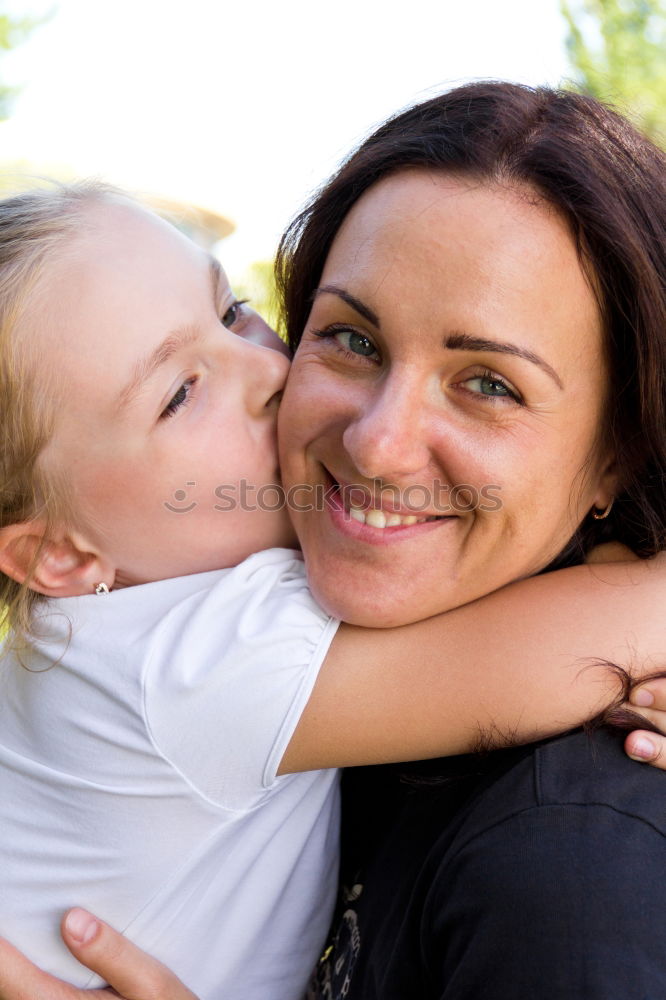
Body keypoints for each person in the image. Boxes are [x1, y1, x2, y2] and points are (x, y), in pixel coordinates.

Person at [0, 78, 665, 999]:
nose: (265, 370)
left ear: (617, 456)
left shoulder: (570, 866)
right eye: (350, 337)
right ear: (59, 557)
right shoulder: (193, 658)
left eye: (233, 313)